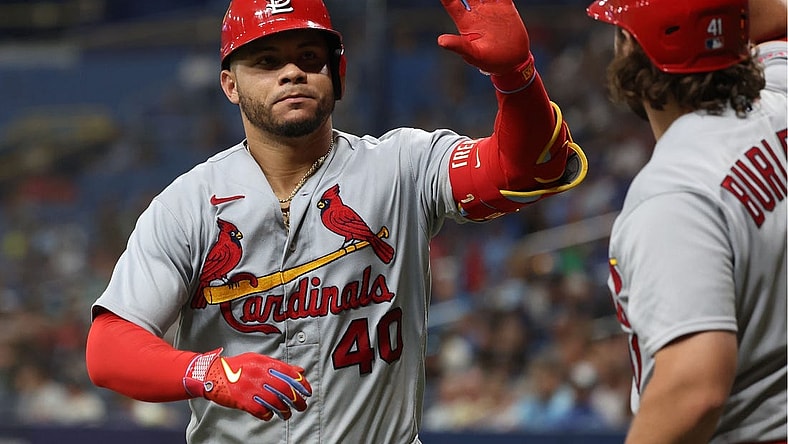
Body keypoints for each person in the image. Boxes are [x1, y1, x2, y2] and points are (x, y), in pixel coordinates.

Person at [85, 0, 588, 442]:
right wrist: (208, 373)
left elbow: (528, 169)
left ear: (337, 73)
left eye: (309, 58)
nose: (292, 73)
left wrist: (517, 77)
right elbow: (109, 349)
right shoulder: (188, 205)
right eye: (266, 61)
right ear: (229, 85)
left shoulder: (402, 166)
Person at [586, 0, 787, 443]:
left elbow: (694, 390)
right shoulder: (780, 87)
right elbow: (777, 16)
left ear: (634, 53)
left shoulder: (673, 192)